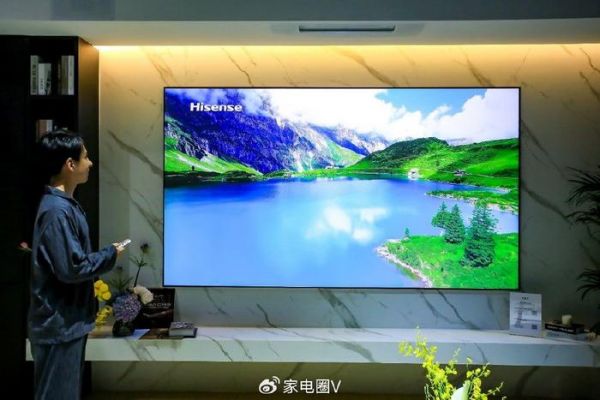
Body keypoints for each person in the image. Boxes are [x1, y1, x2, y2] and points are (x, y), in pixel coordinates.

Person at [28, 130, 126, 399]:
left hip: (66, 324)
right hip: (59, 324)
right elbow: (73, 268)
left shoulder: (62, 206)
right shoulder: (57, 211)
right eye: (85, 157)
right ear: (70, 164)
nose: (90, 163)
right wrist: (110, 254)